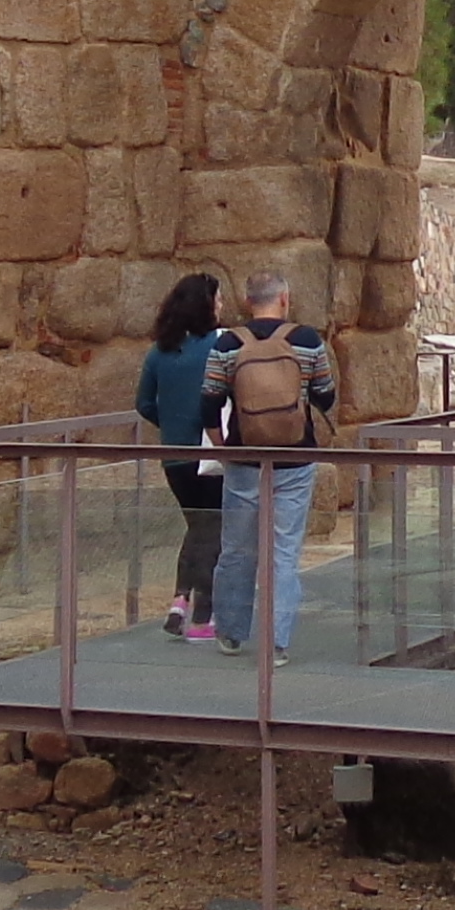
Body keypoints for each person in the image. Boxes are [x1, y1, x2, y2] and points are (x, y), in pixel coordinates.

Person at [201, 273, 335, 658]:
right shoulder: (307, 340)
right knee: (284, 551)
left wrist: (220, 443)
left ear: (247, 300)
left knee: (238, 548)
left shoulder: (227, 344)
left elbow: (209, 400)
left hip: (244, 458)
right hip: (295, 459)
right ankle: (276, 641)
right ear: (284, 299)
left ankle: (230, 631)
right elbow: (326, 395)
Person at [138, 275, 225, 639]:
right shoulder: (219, 345)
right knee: (214, 531)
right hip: (209, 452)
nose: (221, 306)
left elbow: (144, 402)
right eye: (218, 300)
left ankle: (179, 600)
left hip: (174, 455)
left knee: (197, 526)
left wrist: (171, 424)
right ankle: (204, 614)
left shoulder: (159, 351)